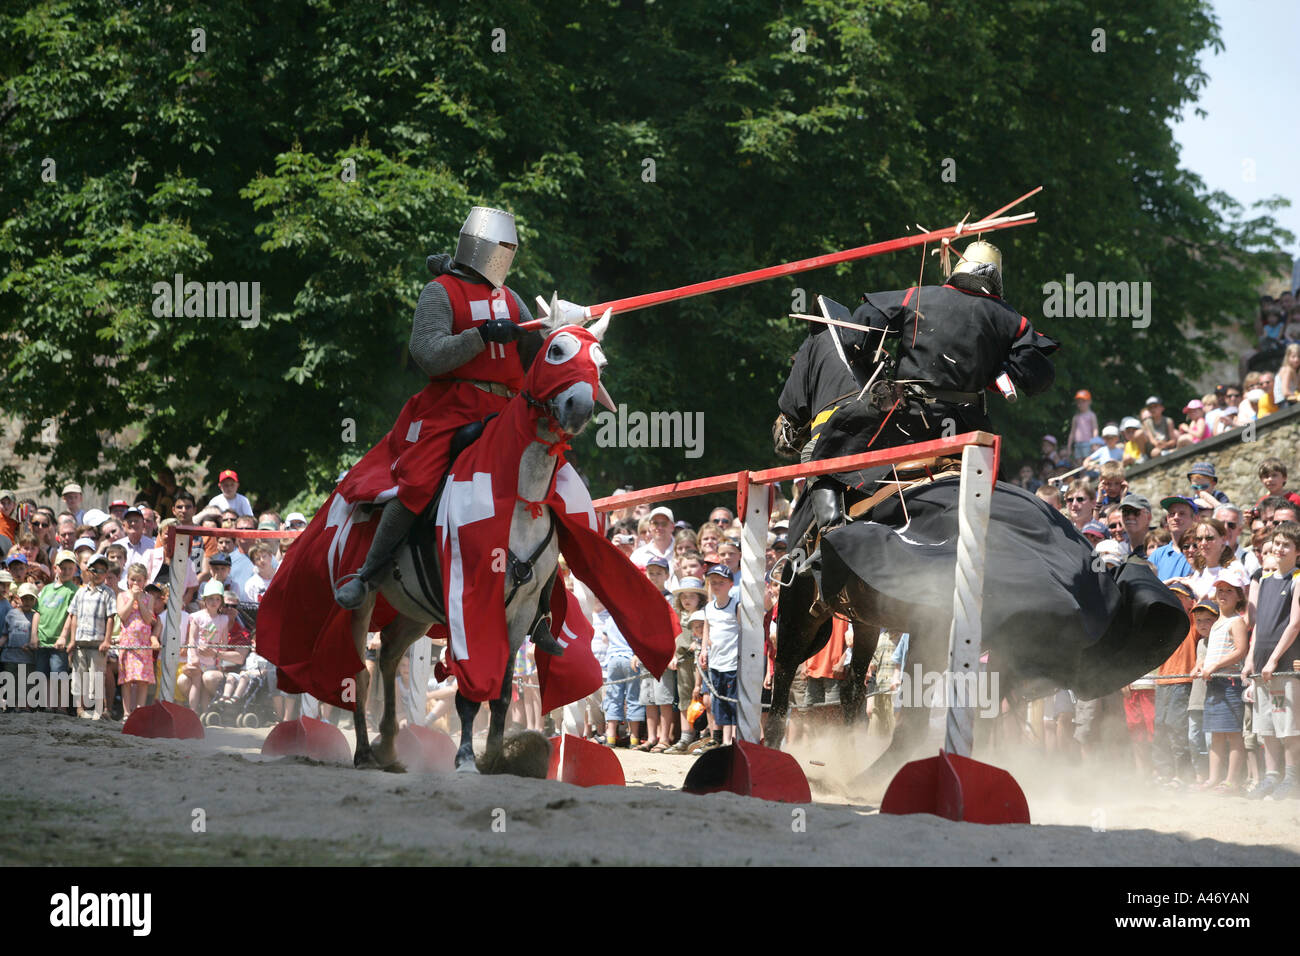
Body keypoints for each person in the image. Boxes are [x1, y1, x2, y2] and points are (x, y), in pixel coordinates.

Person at [331, 206, 548, 613]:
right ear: (480, 246)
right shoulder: (440, 291)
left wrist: (557, 328)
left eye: (511, 248)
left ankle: (546, 604)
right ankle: (369, 574)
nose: (506, 254)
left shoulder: (511, 298)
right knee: (421, 479)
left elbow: (535, 350)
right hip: (454, 405)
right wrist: (481, 335)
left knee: (552, 472)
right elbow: (428, 354)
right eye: (500, 246)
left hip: (509, 410)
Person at [780, 239, 1057, 556]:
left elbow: (861, 325)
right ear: (996, 282)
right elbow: (1038, 376)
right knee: (1001, 497)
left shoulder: (918, 296)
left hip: (904, 418)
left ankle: (831, 532)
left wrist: (869, 351)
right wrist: (1000, 370)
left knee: (826, 452)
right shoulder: (1011, 318)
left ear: (958, 270)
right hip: (968, 431)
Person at [1242, 521, 1300, 799]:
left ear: (1297, 551)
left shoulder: (1298, 579)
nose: (1279, 548)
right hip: (1261, 664)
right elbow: (1259, 627)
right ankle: (1271, 776)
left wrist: (1274, 659)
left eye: (1286, 544)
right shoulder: (1263, 581)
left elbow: (1295, 624)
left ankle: (1291, 778)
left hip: (1285, 665)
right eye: (1276, 543)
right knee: (1265, 725)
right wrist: (1251, 660)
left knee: (1287, 724)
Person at [1191, 568, 1250, 792]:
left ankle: (1232, 780)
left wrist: (1215, 665)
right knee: (1215, 733)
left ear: (1238, 595)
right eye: (1220, 590)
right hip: (1214, 684)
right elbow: (1209, 654)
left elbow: (1241, 650)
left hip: (1230, 683)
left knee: (1233, 734)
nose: (1223, 594)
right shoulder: (1216, 624)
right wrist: (1201, 665)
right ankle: (1214, 778)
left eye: (1228, 590)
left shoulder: (1237, 621)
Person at [63, 553, 117, 719]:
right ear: (88, 571)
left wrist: (107, 640)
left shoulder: (108, 593)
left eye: (103, 570)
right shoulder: (80, 593)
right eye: (96, 569)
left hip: (97, 642)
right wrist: (71, 640)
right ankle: (80, 710)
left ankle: (99, 709)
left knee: (97, 677)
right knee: (79, 677)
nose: (99, 573)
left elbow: (110, 618)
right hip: (80, 641)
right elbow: (74, 617)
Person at [700, 564, 740, 748]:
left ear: (730, 584)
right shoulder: (709, 607)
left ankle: (730, 740)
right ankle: (723, 739)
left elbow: (742, 631)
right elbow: (706, 629)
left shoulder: (736, 606)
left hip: (732, 662)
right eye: (713, 582)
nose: (716, 586)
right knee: (719, 702)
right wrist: (703, 650)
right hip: (716, 662)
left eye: (721, 582)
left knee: (732, 702)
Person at [115, 563, 158, 718]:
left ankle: (139, 711)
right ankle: (126, 712)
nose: (136, 583)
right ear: (127, 579)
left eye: (139, 580)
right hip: (127, 643)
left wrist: (139, 600)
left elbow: (148, 619)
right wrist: (132, 598)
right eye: (133, 579)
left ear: (145, 581)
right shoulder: (122, 596)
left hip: (143, 645)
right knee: (126, 679)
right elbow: (122, 615)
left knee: (142, 679)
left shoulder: (149, 598)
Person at [183, 580, 229, 713]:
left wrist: (219, 659)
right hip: (197, 658)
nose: (214, 602)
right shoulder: (197, 617)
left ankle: (205, 713)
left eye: (217, 599)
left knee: (205, 687)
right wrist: (193, 656)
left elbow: (224, 643)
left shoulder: (223, 619)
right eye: (210, 599)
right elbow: (192, 638)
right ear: (204, 599)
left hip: (211, 660)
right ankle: (192, 711)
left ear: (221, 601)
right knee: (196, 684)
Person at [0, 583, 39, 711]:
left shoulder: (35, 616)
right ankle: (11, 706)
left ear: (35, 600)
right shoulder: (11, 614)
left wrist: (32, 646)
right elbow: (6, 634)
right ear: (18, 598)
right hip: (9, 656)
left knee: (25, 682)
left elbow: (36, 638)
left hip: (26, 657)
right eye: (24, 598)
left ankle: (23, 705)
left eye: (30, 599)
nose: (27, 602)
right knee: (9, 681)